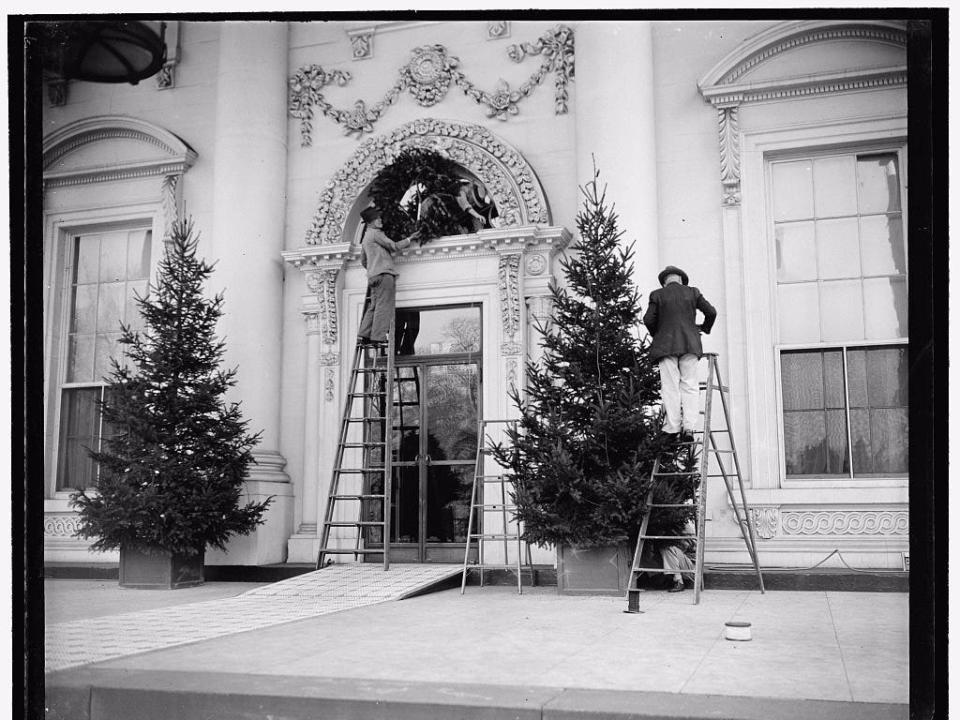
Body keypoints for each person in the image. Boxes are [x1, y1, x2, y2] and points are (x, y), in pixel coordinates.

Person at [643, 265, 717, 443]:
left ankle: (672, 427)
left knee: (670, 386)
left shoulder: (657, 295)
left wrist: (659, 334)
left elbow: (648, 319)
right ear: (682, 280)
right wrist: (703, 328)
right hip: (690, 344)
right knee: (690, 385)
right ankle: (689, 428)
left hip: (665, 346)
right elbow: (711, 312)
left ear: (664, 282)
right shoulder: (692, 292)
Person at [357, 206, 419, 346]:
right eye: (376, 219)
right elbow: (394, 246)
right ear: (370, 223)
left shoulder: (366, 236)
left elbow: (363, 260)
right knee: (384, 306)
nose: (380, 220)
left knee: (373, 306)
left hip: (373, 277)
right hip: (384, 275)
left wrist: (373, 268)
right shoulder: (376, 233)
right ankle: (378, 336)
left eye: (379, 218)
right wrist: (410, 239)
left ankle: (364, 334)